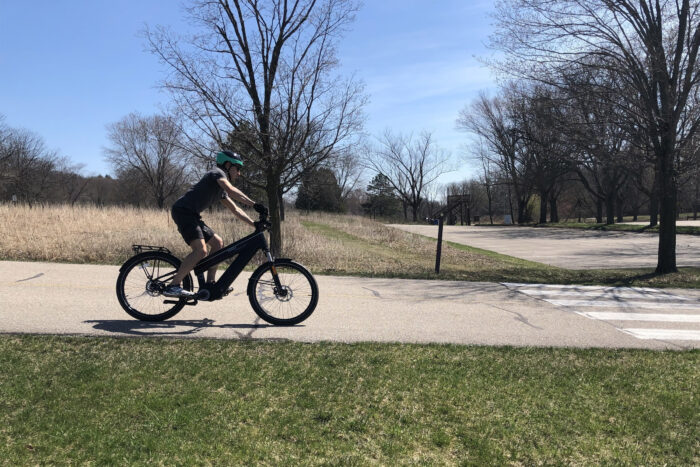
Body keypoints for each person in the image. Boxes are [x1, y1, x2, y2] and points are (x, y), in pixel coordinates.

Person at [164, 150, 262, 297]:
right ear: (227, 165)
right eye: (237, 168)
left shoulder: (220, 189)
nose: (239, 173)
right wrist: (254, 204)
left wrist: (254, 224)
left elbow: (235, 209)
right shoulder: (216, 173)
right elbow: (231, 189)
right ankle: (173, 285)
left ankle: (210, 285)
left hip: (192, 215)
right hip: (183, 212)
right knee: (200, 251)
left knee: (218, 243)